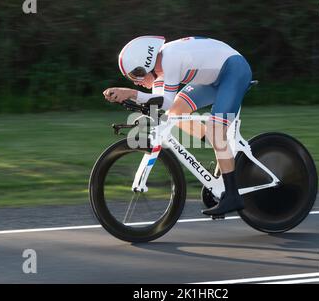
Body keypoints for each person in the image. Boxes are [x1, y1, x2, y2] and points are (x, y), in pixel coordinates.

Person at [103, 36, 253, 216]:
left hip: (233, 71)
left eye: (135, 75)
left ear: (146, 64)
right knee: (174, 114)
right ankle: (220, 149)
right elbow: (160, 104)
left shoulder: (170, 59)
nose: (135, 82)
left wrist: (130, 93)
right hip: (212, 78)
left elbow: (165, 101)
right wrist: (136, 102)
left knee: (215, 131)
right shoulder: (159, 71)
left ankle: (232, 196)